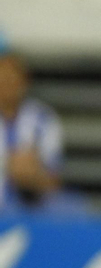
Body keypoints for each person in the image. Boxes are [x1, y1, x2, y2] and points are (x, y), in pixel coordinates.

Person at [0, 49, 64, 208]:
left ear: (24, 82)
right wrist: (8, 164)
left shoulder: (43, 120)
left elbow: (53, 181)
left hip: (30, 209)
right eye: (3, 80)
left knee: (70, 206)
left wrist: (32, 175)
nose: (8, 85)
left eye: (12, 79)